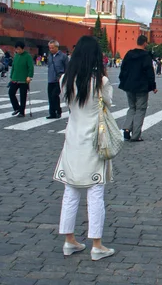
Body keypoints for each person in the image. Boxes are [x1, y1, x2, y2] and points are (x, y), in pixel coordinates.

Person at [53, 35, 115, 261]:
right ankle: (97, 244)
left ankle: (69, 240)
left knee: (70, 191)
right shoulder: (100, 82)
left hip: (72, 140)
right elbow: (108, 103)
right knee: (96, 192)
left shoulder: (65, 80)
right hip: (94, 142)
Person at [118, 35, 157, 142]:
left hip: (129, 85)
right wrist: (153, 86)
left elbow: (123, 69)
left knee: (132, 108)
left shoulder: (129, 54)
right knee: (140, 109)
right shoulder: (146, 56)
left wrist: (123, 81)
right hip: (142, 87)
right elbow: (150, 72)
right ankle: (135, 135)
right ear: (145, 43)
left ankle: (126, 129)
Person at [8, 41, 34, 118]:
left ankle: (22, 112)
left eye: (19, 49)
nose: (17, 51)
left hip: (24, 79)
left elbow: (31, 67)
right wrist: (11, 77)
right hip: (15, 78)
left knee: (23, 96)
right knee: (11, 93)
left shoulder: (27, 56)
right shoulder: (16, 56)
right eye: (16, 49)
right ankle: (17, 108)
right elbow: (13, 67)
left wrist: (29, 76)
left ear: (23, 49)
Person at [47, 40, 69, 119]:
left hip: (59, 80)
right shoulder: (49, 56)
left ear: (57, 47)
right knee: (50, 96)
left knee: (54, 95)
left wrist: (65, 78)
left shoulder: (63, 56)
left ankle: (58, 111)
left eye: (52, 48)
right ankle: (52, 113)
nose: (51, 49)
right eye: (50, 48)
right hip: (50, 79)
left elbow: (67, 68)